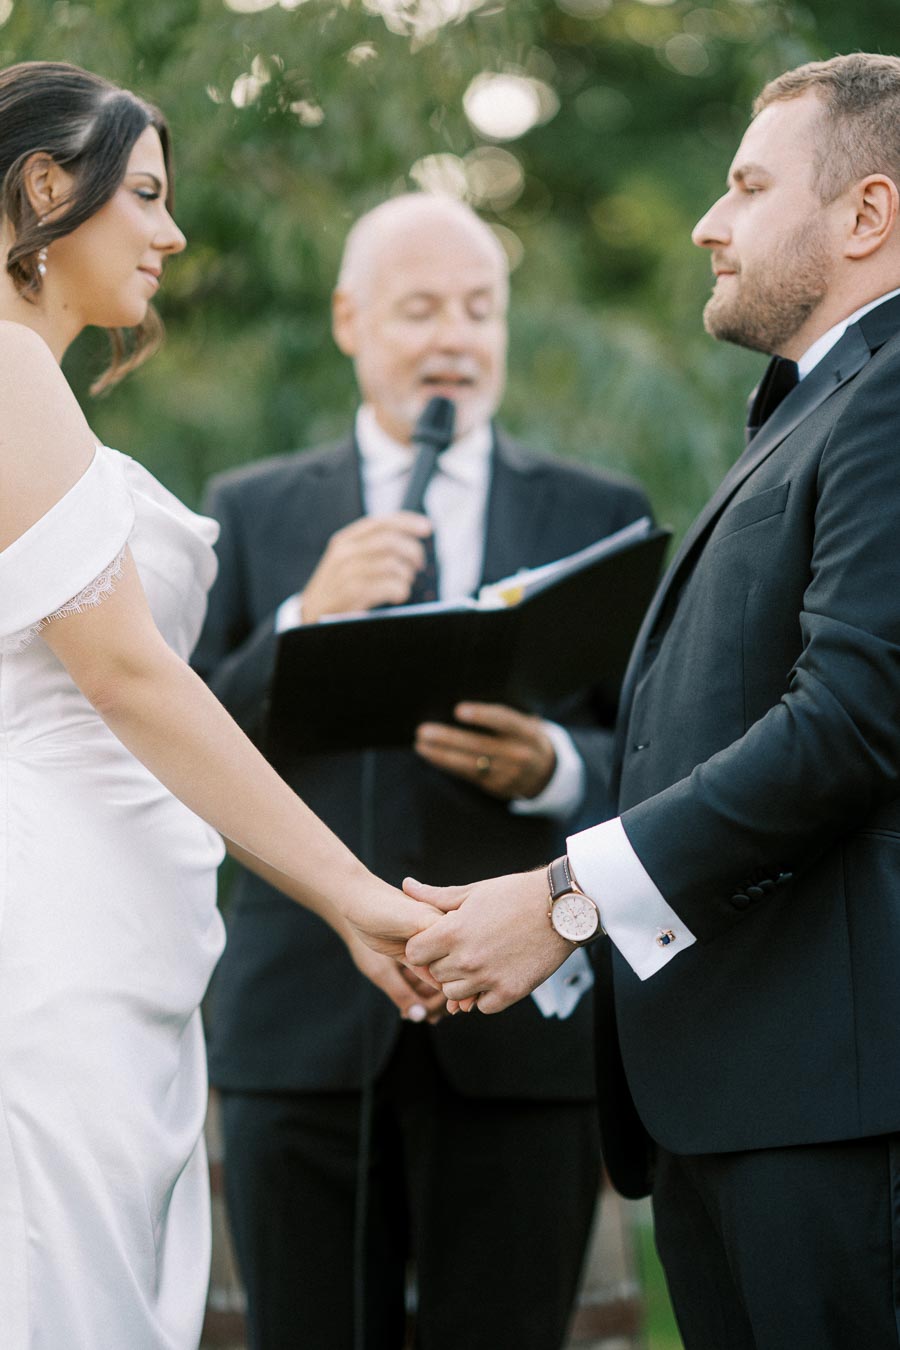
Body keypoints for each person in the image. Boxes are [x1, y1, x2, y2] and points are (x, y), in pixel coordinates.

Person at [407, 52, 900, 1350]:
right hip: (735, 1108)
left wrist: (567, 898)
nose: (707, 220)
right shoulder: (813, 409)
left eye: (747, 185)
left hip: (834, 1120)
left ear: (866, 215)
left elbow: (851, 722)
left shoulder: (893, 399)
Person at [0, 60, 433, 1350]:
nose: (173, 232)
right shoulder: (11, 372)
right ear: (41, 186)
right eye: (144, 193)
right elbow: (133, 677)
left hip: (121, 938)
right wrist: (358, 896)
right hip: (58, 940)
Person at [193, 193, 652, 1350]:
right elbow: (174, 738)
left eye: (479, 308)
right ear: (350, 320)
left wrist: (554, 766)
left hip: (522, 1032)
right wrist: (306, 615)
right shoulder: (251, 512)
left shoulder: (600, 511)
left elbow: (653, 752)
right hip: (300, 1025)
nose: (454, 336)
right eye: (419, 309)